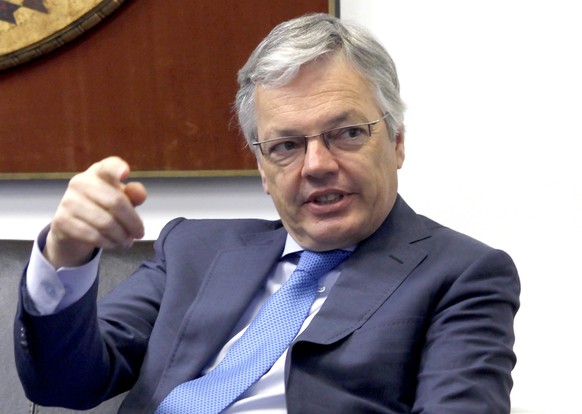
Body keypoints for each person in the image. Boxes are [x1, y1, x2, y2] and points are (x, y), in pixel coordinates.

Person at [14, 13, 520, 414]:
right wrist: (66, 253)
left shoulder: (462, 275)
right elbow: (66, 382)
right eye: (286, 145)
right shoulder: (193, 248)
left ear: (397, 142)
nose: (318, 165)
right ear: (262, 167)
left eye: (347, 133)